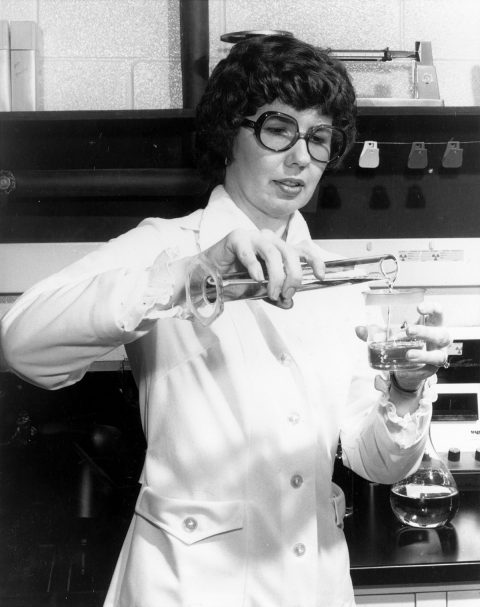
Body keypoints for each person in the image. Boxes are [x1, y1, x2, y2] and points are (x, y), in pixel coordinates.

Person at [0, 35, 451, 607]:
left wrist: (405, 390)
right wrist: (192, 274)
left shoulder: (334, 278)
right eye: (278, 129)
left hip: (314, 585)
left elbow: (376, 462)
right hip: (186, 587)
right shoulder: (167, 246)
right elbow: (22, 343)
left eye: (318, 137)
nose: (300, 158)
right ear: (227, 135)